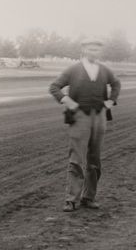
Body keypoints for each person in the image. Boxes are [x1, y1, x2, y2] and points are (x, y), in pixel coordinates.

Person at [48, 36, 122, 212]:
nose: (93, 52)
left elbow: (116, 84)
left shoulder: (104, 70)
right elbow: (54, 87)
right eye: (90, 49)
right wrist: (68, 101)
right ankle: (71, 199)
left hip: (99, 117)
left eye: (97, 49)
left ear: (100, 51)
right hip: (79, 117)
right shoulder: (73, 69)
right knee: (76, 159)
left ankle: (89, 197)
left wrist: (110, 101)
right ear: (83, 50)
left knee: (94, 159)